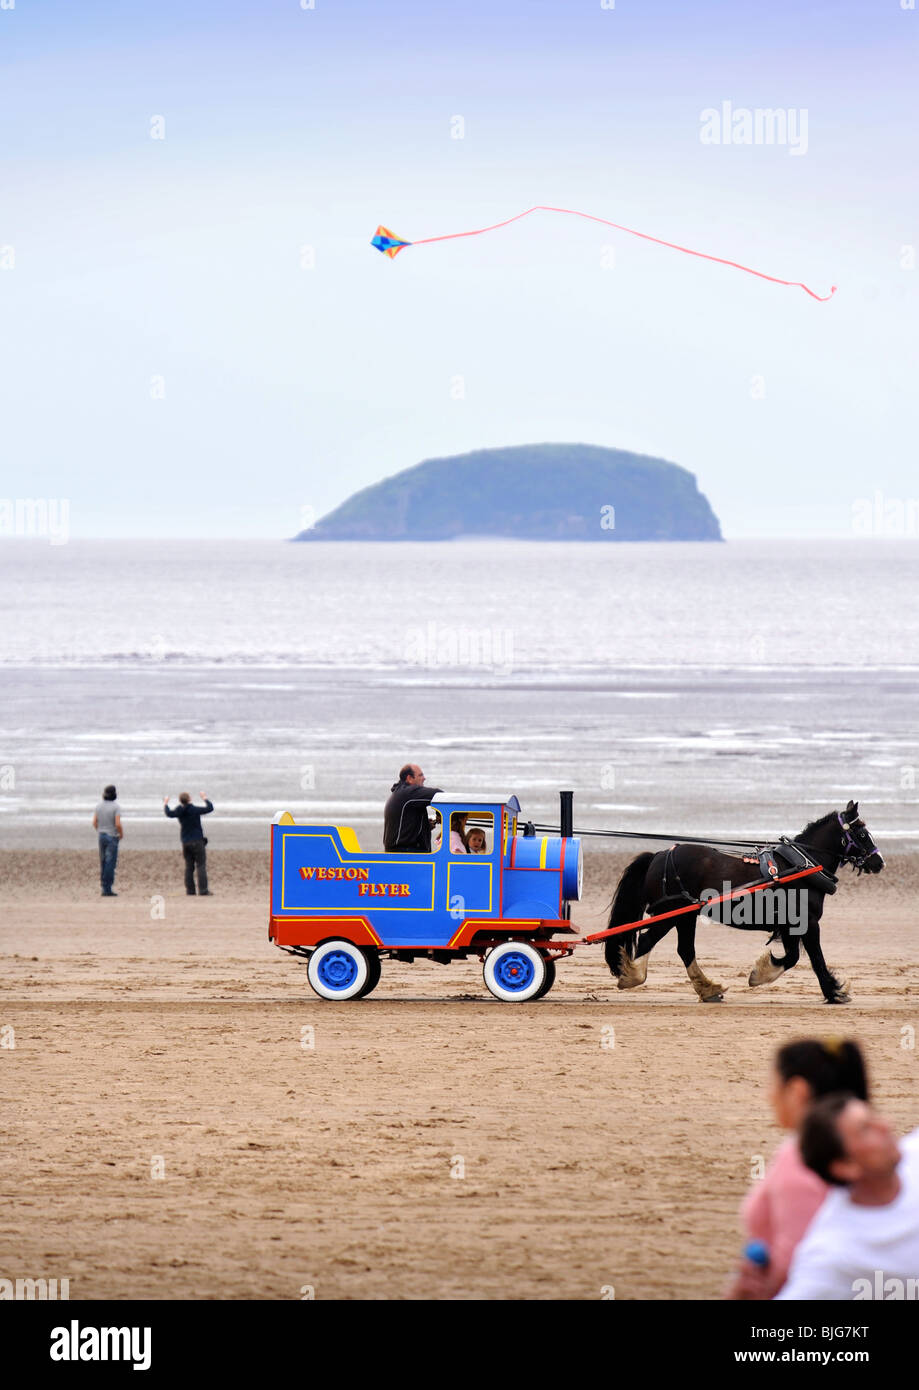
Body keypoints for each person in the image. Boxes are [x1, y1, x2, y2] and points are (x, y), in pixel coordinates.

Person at [725, 1037, 869, 1300]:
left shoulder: (802, 1157)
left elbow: (791, 1263)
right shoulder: (877, 1149)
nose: (768, 1095)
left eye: (773, 1084)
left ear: (797, 1091)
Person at [776, 1094, 919, 1300]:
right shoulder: (833, 1254)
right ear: (846, 1167)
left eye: (875, 1117)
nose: (887, 1126)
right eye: (866, 1129)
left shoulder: (914, 1153)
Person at [163, 791, 214, 895]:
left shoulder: (179, 810)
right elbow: (210, 808)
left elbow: (169, 813)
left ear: (180, 801)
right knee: (201, 865)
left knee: (189, 866)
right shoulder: (194, 809)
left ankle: (190, 890)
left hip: (186, 842)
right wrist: (204, 798)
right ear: (189, 799)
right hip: (197, 840)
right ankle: (203, 890)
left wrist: (165, 803)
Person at [383, 765, 442, 853]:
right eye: (420, 775)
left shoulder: (400, 793)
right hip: (406, 852)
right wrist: (440, 814)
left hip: (398, 851)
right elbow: (438, 795)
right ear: (409, 778)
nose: (424, 778)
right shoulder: (408, 793)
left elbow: (404, 827)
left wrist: (425, 826)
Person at [92, 784, 123, 897]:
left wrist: (100, 830)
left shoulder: (99, 806)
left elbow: (94, 822)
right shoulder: (116, 807)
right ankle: (107, 888)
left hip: (102, 835)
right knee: (110, 862)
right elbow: (118, 823)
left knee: (103, 861)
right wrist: (121, 834)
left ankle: (104, 886)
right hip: (112, 835)